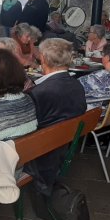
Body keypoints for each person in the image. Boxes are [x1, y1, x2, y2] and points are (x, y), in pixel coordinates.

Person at [26, 38, 88, 192]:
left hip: (39, 154)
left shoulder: (38, 92)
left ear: (43, 59)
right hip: (62, 147)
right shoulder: (77, 85)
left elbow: (24, 127)